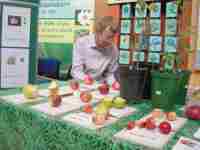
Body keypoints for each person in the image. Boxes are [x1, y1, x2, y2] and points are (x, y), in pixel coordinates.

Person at [71, 16, 119, 83]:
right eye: (108, 37)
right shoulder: (81, 43)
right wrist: (88, 80)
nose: (110, 41)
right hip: (81, 83)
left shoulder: (113, 49)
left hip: (100, 86)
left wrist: (114, 84)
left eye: (113, 38)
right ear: (97, 33)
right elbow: (76, 71)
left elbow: (110, 74)